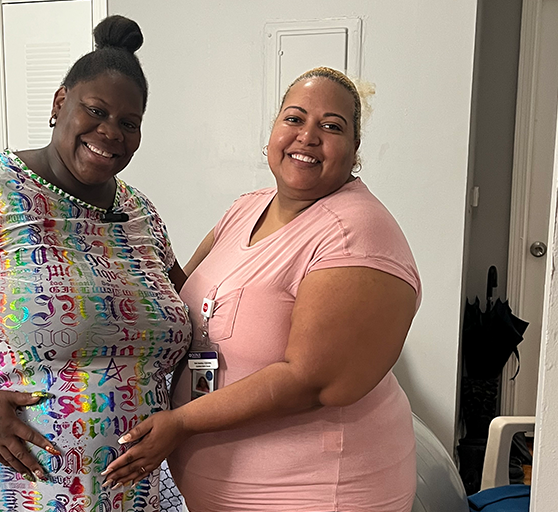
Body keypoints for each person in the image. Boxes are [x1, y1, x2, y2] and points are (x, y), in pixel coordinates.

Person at [0, 15, 191, 512]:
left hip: (118, 487)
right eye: (96, 110)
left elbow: (189, 304)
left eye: (128, 123)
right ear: (60, 103)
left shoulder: (141, 213)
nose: (110, 132)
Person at [101, 67, 421, 511]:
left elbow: (312, 380)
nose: (307, 136)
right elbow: (181, 297)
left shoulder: (356, 232)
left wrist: (181, 422)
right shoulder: (246, 208)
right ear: (273, 131)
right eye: (295, 119)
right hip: (219, 487)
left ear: (354, 150)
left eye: (331, 126)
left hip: (319, 490)